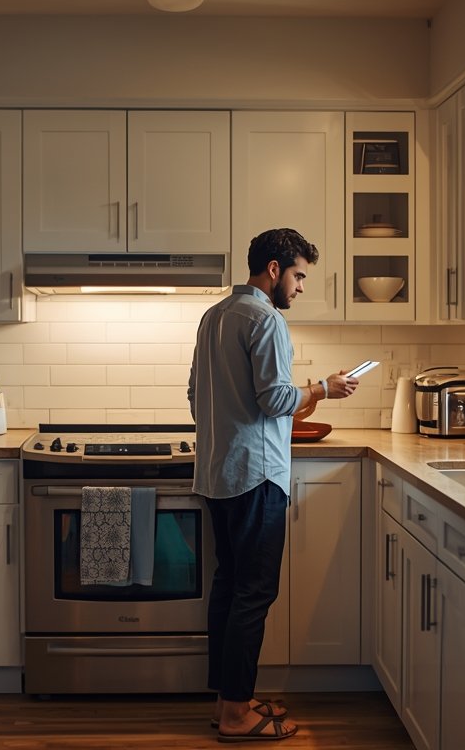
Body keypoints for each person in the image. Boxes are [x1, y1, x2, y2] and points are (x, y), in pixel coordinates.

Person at [188, 227, 358, 742]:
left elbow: (196, 394)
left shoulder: (213, 316)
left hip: (218, 473)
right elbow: (276, 400)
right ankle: (239, 717)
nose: (300, 287)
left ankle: (227, 702)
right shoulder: (265, 319)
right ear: (273, 269)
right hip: (257, 475)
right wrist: (324, 388)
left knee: (229, 589)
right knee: (253, 595)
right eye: (299, 275)